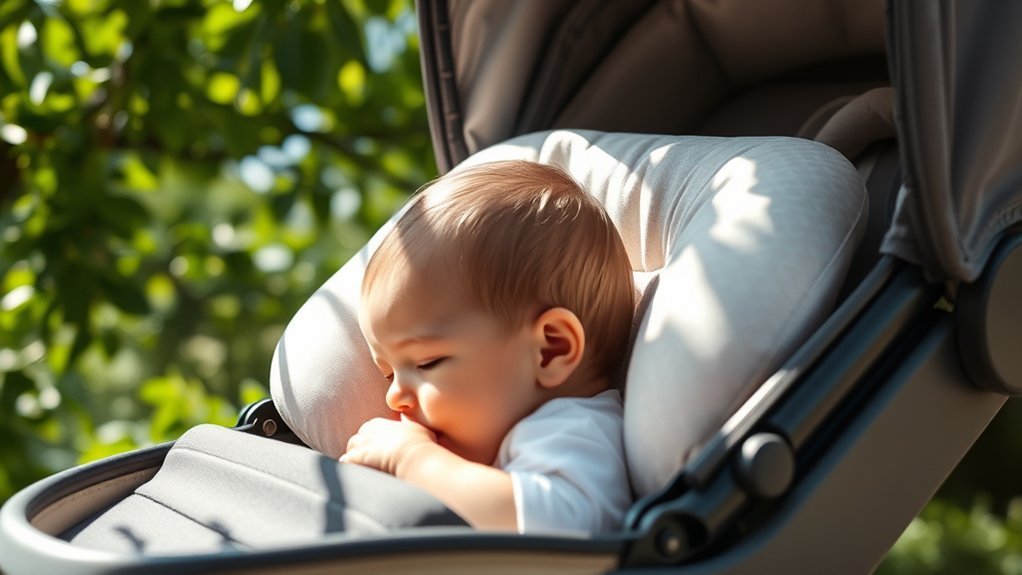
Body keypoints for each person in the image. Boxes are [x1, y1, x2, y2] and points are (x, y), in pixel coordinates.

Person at [340, 160, 635, 536]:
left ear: (550, 350)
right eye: (388, 372)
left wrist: (411, 460)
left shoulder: (572, 430)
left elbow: (563, 530)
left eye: (427, 362)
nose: (395, 396)